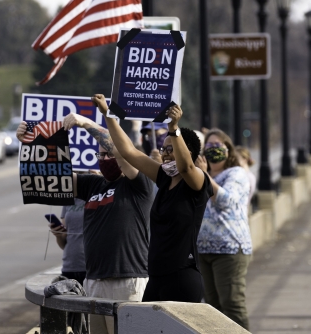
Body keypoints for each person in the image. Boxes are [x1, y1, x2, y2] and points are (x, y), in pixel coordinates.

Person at [17, 113, 153, 334]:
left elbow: (121, 149)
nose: (105, 158)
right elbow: (52, 177)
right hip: (95, 280)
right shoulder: (94, 185)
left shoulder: (138, 185)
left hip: (127, 280)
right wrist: (31, 143)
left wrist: (86, 123)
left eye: (109, 154)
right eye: (101, 155)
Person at [90, 95, 214, 302]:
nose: (165, 154)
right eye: (164, 149)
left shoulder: (197, 181)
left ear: (187, 151)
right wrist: (107, 114)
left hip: (182, 276)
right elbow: (128, 152)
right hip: (156, 276)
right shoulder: (164, 178)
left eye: (170, 149)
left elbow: (186, 167)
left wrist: (174, 128)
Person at [197, 130, 253, 330]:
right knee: (213, 310)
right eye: (209, 146)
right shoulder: (200, 174)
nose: (213, 150)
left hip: (229, 249)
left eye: (218, 145)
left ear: (228, 150)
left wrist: (203, 175)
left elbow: (225, 201)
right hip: (203, 250)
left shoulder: (236, 173)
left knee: (232, 305)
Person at [49, 198, 86, 286]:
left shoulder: (97, 196)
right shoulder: (68, 200)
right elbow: (65, 242)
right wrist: (58, 235)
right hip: (69, 267)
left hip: (92, 269)